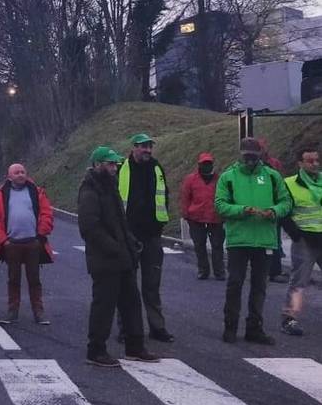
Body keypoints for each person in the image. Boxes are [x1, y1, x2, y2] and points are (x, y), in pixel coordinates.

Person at [78, 147, 159, 367]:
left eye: (115, 164)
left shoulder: (109, 187)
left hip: (123, 257)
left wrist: (130, 242)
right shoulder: (90, 190)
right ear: (97, 165)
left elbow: (119, 221)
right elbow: (89, 227)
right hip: (105, 260)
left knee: (131, 303)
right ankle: (96, 350)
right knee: (104, 306)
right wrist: (114, 247)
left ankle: (135, 346)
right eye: (110, 164)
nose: (115, 167)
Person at [215, 138, 291, 344]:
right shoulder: (228, 177)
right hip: (238, 240)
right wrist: (242, 210)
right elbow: (220, 205)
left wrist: (274, 211)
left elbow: (286, 202)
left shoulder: (273, 177)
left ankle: (254, 328)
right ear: (241, 154)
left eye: (253, 155)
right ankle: (230, 326)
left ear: (260, 155)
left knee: (259, 286)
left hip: (264, 240)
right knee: (235, 283)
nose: (250, 159)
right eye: (246, 155)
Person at [117, 133, 174, 342]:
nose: (148, 150)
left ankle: (157, 327)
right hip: (128, 235)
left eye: (150, 147)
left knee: (152, 285)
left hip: (152, 235)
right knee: (127, 285)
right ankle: (126, 329)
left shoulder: (156, 168)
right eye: (143, 147)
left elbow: (164, 195)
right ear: (134, 147)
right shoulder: (122, 168)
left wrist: (159, 224)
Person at [0, 163, 54, 324]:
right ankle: (12, 311)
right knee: (13, 279)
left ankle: (39, 312)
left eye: (23, 172)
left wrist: (41, 234)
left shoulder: (36, 192)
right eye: (16, 172)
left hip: (33, 242)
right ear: (9, 176)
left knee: (34, 280)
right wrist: (3, 239)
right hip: (12, 244)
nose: (20, 175)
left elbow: (47, 213)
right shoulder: (1, 194)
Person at [280, 146, 322, 336]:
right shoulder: (289, 184)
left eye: (316, 160)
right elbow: (284, 211)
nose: (314, 164)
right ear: (300, 163)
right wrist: (295, 234)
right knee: (299, 281)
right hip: (304, 238)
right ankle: (290, 319)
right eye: (309, 161)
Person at [179, 152, 226, 280]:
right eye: (204, 164)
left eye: (209, 163)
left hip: (215, 218)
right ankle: (203, 270)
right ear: (199, 165)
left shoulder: (220, 179)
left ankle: (219, 271)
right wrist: (186, 214)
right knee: (199, 246)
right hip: (196, 218)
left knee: (217, 246)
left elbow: (225, 197)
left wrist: (224, 214)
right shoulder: (190, 179)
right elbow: (185, 197)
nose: (207, 166)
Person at [259, 139, 289, 283]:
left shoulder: (274, 163)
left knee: (274, 241)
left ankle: (274, 271)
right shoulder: (253, 166)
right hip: (260, 208)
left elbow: (280, 183)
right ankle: (265, 271)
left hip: (273, 208)